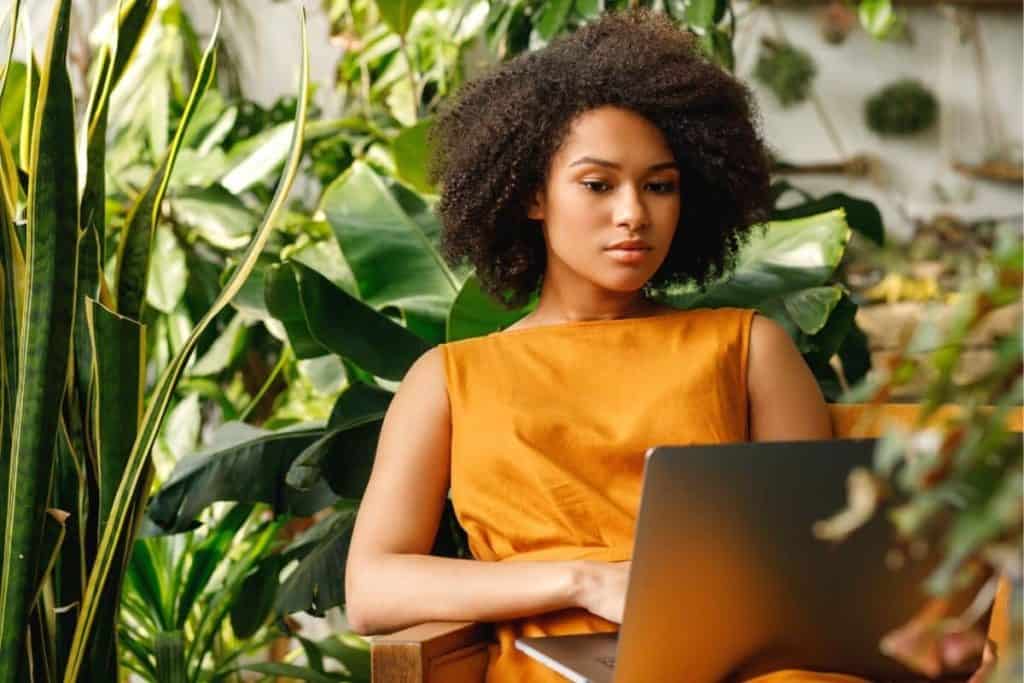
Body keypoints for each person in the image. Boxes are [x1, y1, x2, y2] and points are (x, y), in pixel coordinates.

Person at [343, 10, 985, 683]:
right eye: (598, 184)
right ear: (531, 194)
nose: (634, 214)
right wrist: (584, 581)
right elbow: (373, 586)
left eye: (660, 185)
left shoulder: (746, 348)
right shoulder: (449, 378)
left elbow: (816, 575)